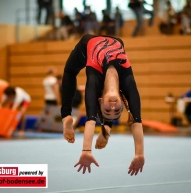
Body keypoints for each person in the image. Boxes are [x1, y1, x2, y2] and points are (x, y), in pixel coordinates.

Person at [61, 34, 145, 175]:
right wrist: (139, 154)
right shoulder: (128, 83)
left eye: (107, 110)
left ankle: (65, 117)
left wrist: (86, 151)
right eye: (116, 109)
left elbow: (91, 120)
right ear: (123, 103)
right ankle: (107, 127)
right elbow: (137, 122)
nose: (112, 107)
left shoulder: (94, 80)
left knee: (69, 72)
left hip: (87, 45)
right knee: (111, 102)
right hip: (117, 41)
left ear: (99, 101)